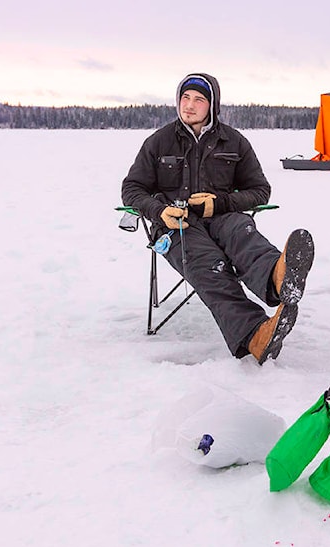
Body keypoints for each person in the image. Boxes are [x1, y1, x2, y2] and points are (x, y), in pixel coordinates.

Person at [122, 72, 314, 364]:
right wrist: (158, 211)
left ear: (212, 105)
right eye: (185, 98)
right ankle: (254, 335)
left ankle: (277, 278)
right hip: (177, 226)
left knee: (243, 232)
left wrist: (220, 203)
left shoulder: (233, 141)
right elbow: (132, 189)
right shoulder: (159, 142)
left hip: (222, 216)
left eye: (199, 99)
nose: (189, 105)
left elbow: (260, 191)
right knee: (208, 265)